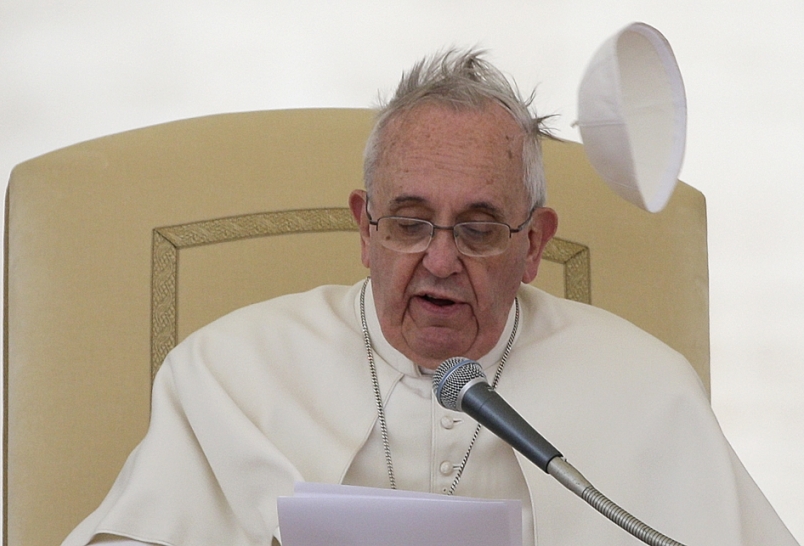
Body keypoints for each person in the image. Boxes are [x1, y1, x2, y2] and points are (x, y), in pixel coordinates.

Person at [62, 50, 798, 546]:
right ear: (365, 227)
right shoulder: (228, 372)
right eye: (411, 224)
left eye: (479, 231)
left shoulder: (646, 389)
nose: (439, 260)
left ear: (533, 245)